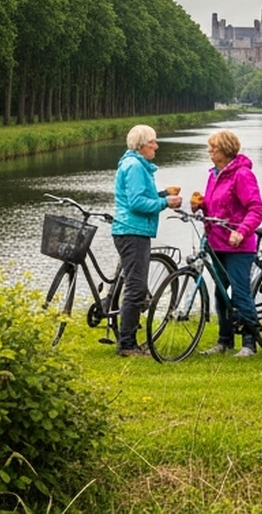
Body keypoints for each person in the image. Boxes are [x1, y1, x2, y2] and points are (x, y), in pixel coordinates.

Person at [194, 129, 262, 356]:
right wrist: (201, 205)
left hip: (238, 245)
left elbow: (256, 209)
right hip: (217, 242)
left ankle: (249, 343)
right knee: (220, 293)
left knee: (240, 291)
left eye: (213, 148)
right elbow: (218, 207)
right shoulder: (214, 174)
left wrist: (242, 232)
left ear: (225, 150)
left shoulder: (242, 174)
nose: (209, 152)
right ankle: (224, 341)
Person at [113, 124, 180, 357]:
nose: (156, 146)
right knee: (136, 288)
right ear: (142, 145)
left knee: (135, 285)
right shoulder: (134, 166)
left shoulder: (137, 165)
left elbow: (140, 196)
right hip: (133, 231)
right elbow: (136, 203)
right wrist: (165, 203)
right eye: (153, 142)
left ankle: (127, 340)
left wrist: (162, 194)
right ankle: (127, 345)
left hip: (134, 230)